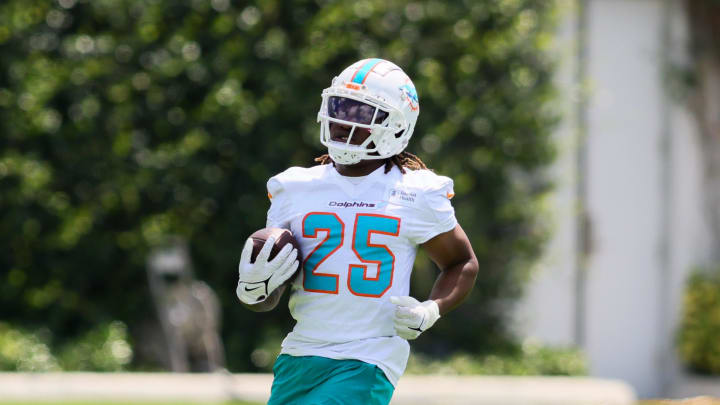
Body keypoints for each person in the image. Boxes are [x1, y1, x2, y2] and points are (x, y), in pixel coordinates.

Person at [236, 58, 479, 405]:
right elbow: (273, 292)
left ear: (395, 124)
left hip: (369, 357)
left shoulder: (416, 191)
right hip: (301, 353)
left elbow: (461, 262)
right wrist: (254, 290)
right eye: (339, 106)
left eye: (360, 112)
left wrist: (431, 309)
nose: (342, 120)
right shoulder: (295, 188)